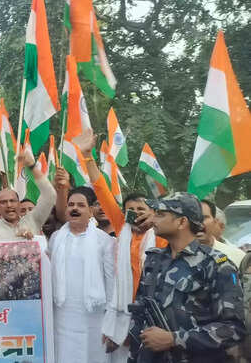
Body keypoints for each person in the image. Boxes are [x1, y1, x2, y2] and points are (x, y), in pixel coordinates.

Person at [71, 129, 168, 361]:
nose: (135, 214)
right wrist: (87, 156)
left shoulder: (162, 235)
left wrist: (156, 221)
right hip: (122, 311)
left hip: (156, 312)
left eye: (141, 209)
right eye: (130, 210)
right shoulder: (122, 226)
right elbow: (101, 189)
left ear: (153, 212)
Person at [128, 192, 246, 362]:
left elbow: (233, 328)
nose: (153, 219)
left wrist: (174, 339)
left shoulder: (217, 264)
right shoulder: (154, 260)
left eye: (160, 214)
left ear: (182, 222)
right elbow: (140, 312)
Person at [48, 186, 115, 363]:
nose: (74, 209)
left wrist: (112, 321)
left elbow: (111, 282)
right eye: (71, 205)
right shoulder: (56, 238)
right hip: (62, 314)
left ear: (91, 211)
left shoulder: (104, 240)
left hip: (94, 316)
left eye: (80, 205)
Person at [0, 151, 56, 241]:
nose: (9, 205)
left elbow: (50, 195)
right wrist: (18, 240)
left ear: (19, 204)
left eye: (12, 201)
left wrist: (32, 167)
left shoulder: (33, 220)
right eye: (3, 202)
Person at [198, 199, 246, 266]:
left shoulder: (237, 256)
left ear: (215, 222)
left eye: (204, 217)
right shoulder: (181, 254)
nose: (198, 222)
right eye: (193, 217)